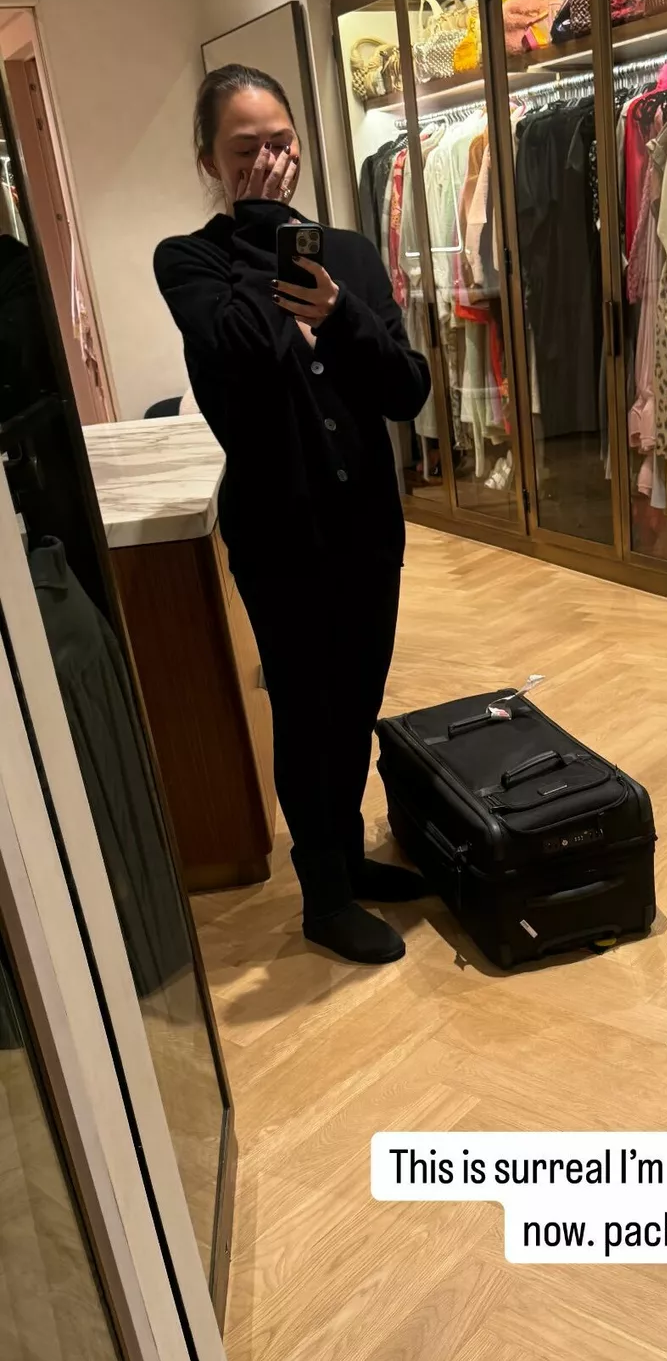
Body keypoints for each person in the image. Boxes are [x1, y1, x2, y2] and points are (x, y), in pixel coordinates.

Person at [154, 65, 432, 965]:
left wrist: (344, 314)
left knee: (356, 703)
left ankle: (346, 857)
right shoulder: (189, 262)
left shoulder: (348, 252)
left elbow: (406, 388)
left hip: (367, 530)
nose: (269, 161)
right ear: (209, 160)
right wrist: (265, 231)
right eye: (245, 150)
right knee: (308, 714)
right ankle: (323, 898)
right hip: (281, 536)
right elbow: (240, 353)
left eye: (280, 143)